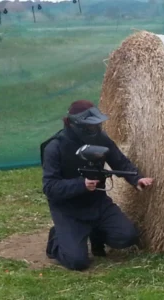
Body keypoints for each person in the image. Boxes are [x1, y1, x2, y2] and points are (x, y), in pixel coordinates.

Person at [40, 99, 153, 271]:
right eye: (91, 126)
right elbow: (50, 187)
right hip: (68, 210)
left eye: (97, 125)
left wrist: (137, 179)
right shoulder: (54, 148)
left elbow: (119, 161)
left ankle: (95, 232)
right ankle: (57, 239)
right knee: (77, 262)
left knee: (127, 237)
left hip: (97, 203)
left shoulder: (101, 139)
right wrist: (81, 184)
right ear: (75, 125)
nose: (95, 129)